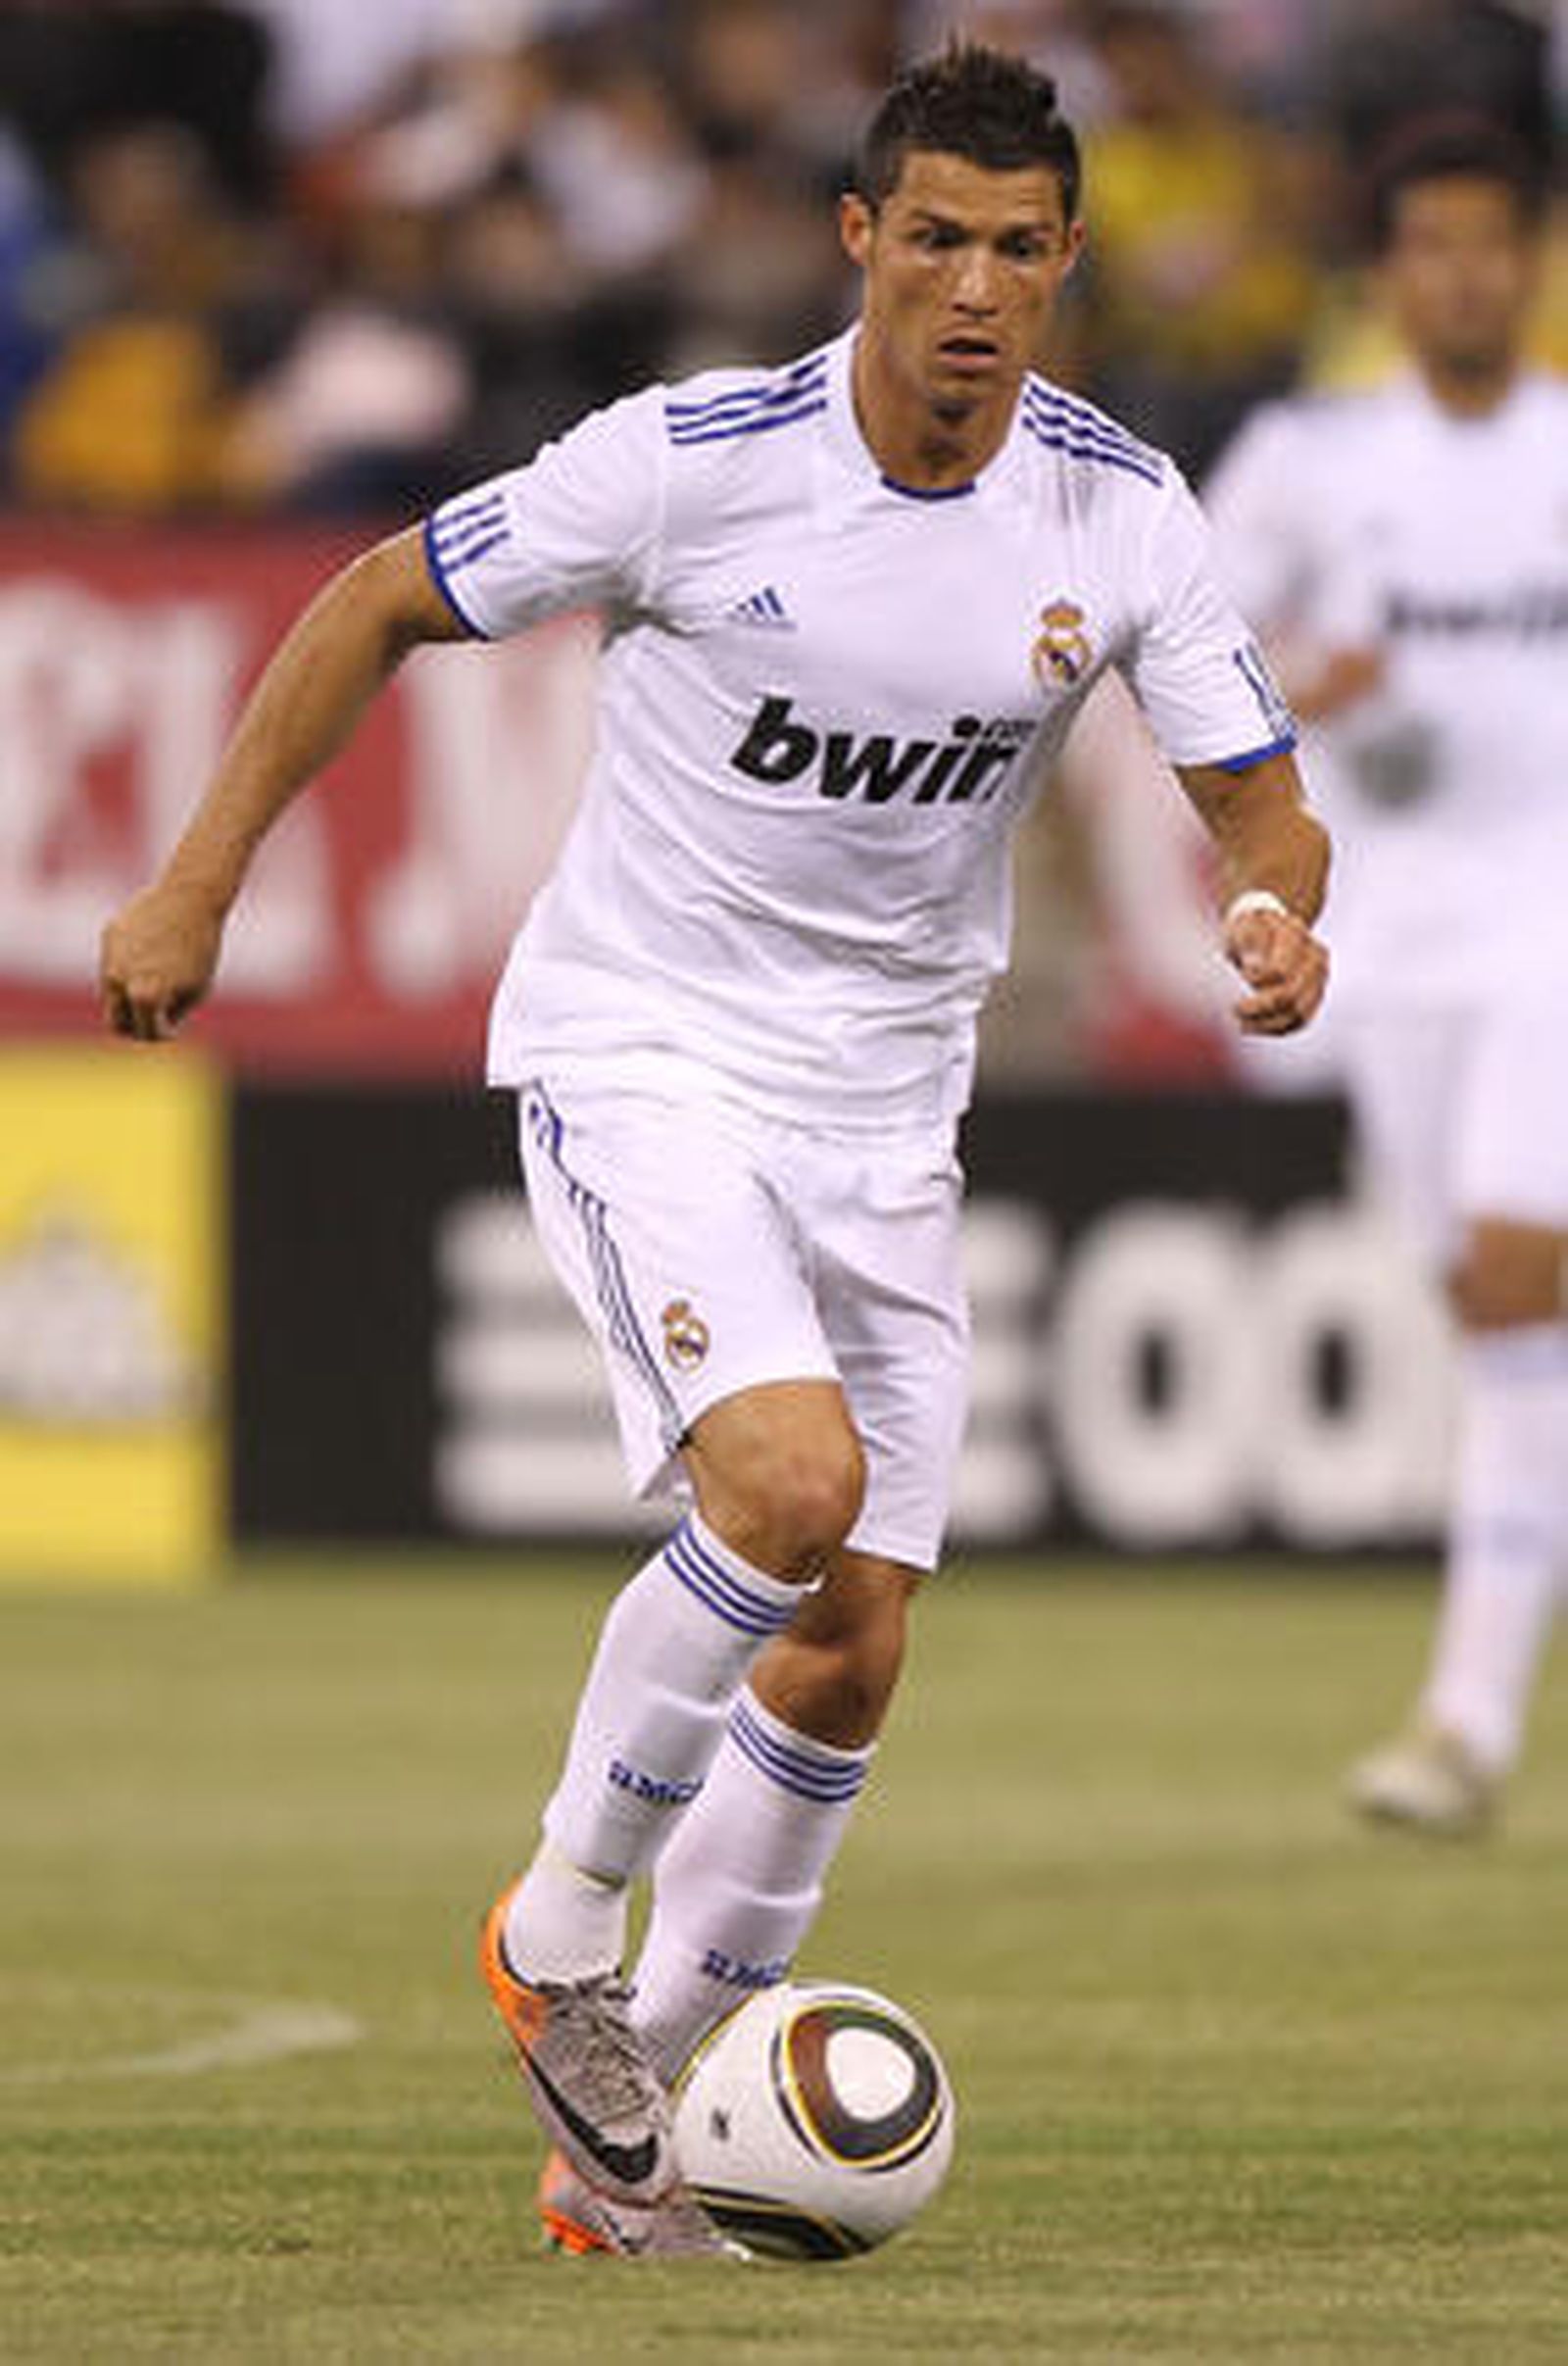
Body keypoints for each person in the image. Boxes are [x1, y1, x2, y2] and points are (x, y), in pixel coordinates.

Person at [99, 43, 1329, 2256]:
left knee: (848, 1641)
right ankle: (560, 1922)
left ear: (1066, 265)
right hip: (645, 1042)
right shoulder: (687, 464)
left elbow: (1253, 778)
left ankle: (629, 2138)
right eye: (933, 238)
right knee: (784, 1489)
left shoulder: (1116, 507)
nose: (973, 288)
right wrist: (199, 883)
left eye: (1018, 249)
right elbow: (381, 590)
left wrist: (1268, 903)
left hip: (886, 1105)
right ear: (858, 242)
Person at [1204, 115, 1568, 1839]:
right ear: (1390, 272)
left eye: (1495, 242)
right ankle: (1475, 1707)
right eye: (1433, 244)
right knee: (1490, 1312)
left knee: (1514, 1280)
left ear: (1535, 260)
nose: (1467, 273)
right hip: (1388, 935)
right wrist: (1300, 691)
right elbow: (1180, 656)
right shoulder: (1306, 457)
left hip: (1551, 922)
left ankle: (1466, 1719)